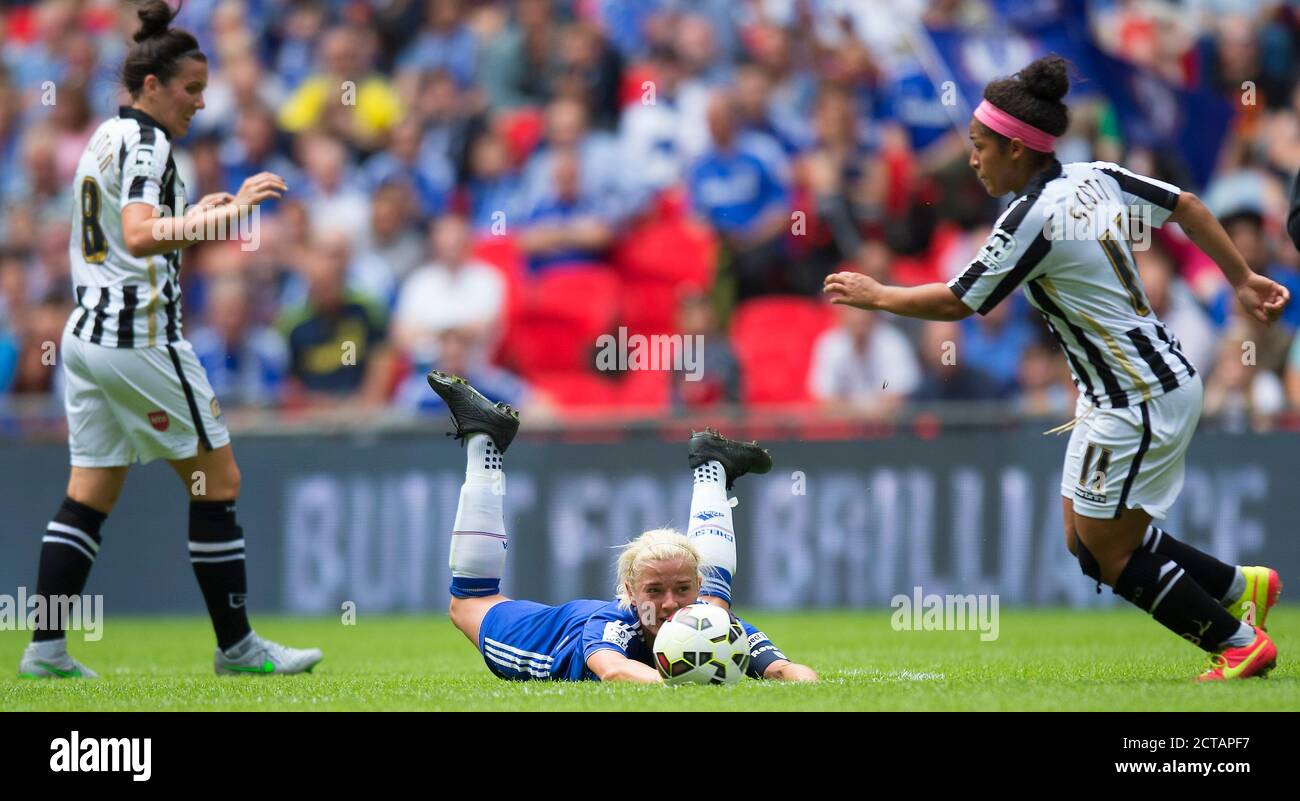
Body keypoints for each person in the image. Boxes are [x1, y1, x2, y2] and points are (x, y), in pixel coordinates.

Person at [823, 55, 1286, 681]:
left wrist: (878, 295)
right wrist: (1243, 277)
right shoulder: (1096, 175)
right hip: (1122, 390)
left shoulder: (1030, 216)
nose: (973, 160)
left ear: (1017, 150)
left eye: (981, 146)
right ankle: (1238, 586)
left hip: (1136, 396)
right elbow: (1189, 205)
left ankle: (1236, 642)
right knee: (1083, 540)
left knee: (1110, 555)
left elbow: (959, 301)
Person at [19, 0, 321, 678]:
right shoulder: (151, 145)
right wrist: (232, 216)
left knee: (90, 491)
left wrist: (200, 214)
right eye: (190, 91)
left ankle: (44, 647)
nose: (199, 105)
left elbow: (140, 229)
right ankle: (238, 646)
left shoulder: (106, 137)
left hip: (87, 335)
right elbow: (138, 233)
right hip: (138, 337)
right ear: (151, 85)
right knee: (219, 479)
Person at [426, 371, 817, 683]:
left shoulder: (710, 619)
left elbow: (788, 670)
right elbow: (614, 669)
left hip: (685, 607)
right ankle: (484, 442)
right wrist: (683, 683)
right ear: (629, 592)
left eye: (683, 590)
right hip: (541, 635)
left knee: (711, 606)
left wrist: (800, 680)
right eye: (652, 591)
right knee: (468, 601)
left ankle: (711, 469)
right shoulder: (613, 623)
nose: (668, 604)